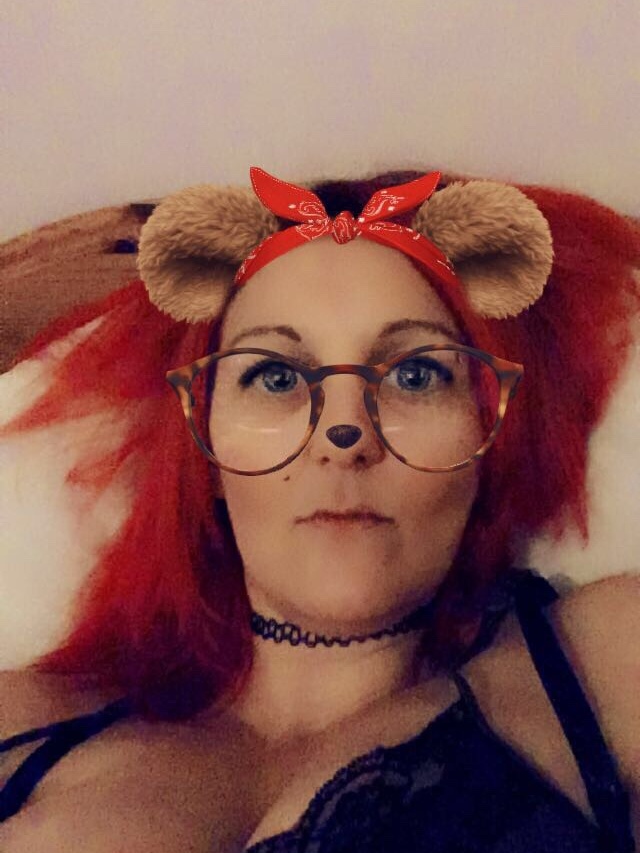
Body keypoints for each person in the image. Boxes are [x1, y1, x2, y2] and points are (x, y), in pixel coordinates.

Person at [0, 165, 638, 851]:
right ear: (206, 453)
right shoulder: (23, 720)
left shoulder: (605, 662)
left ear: (489, 437)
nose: (345, 436)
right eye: (275, 376)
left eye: (415, 374)